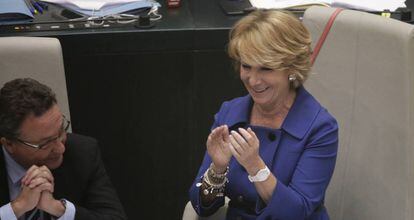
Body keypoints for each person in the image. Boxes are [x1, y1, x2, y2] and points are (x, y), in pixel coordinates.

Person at [189, 10, 338, 220]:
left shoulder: (320, 128)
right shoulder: (230, 112)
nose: (253, 80)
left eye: (266, 69)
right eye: (246, 66)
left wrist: (255, 167)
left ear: (291, 68)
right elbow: (201, 206)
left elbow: (298, 212)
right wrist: (218, 169)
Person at [0, 78, 127, 220]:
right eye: (45, 143)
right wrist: (17, 207)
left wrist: (59, 208)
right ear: (9, 144)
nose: (60, 148)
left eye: (61, 131)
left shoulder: (83, 152)